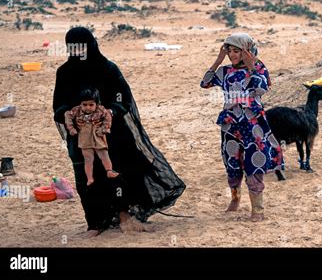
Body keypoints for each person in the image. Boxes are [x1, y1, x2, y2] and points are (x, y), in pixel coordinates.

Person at [53, 27, 186, 237]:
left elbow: (122, 98)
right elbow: (58, 106)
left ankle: (125, 216)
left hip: (113, 133)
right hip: (81, 138)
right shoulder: (65, 73)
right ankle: (95, 225)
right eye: (73, 46)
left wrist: (110, 112)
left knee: (120, 174)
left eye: (82, 46)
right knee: (87, 179)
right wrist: (70, 115)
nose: (78, 51)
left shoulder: (107, 69)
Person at [200, 32, 284, 222]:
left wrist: (251, 64)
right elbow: (204, 83)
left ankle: (258, 210)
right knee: (232, 163)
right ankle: (235, 200)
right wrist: (218, 60)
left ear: (247, 51)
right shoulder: (225, 71)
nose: (232, 55)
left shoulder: (259, 69)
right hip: (230, 124)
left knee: (254, 164)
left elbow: (261, 88)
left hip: (253, 124)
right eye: (229, 51)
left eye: (236, 51)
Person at [64, 88, 118, 186]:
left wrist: (103, 129)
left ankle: (109, 171)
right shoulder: (76, 110)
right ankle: (89, 178)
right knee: (88, 158)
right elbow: (67, 116)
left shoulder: (101, 110)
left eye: (91, 105)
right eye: (84, 104)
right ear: (80, 104)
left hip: (97, 134)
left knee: (104, 155)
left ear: (96, 104)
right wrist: (71, 129)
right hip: (84, 136)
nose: (87, 107)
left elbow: (108, 117)